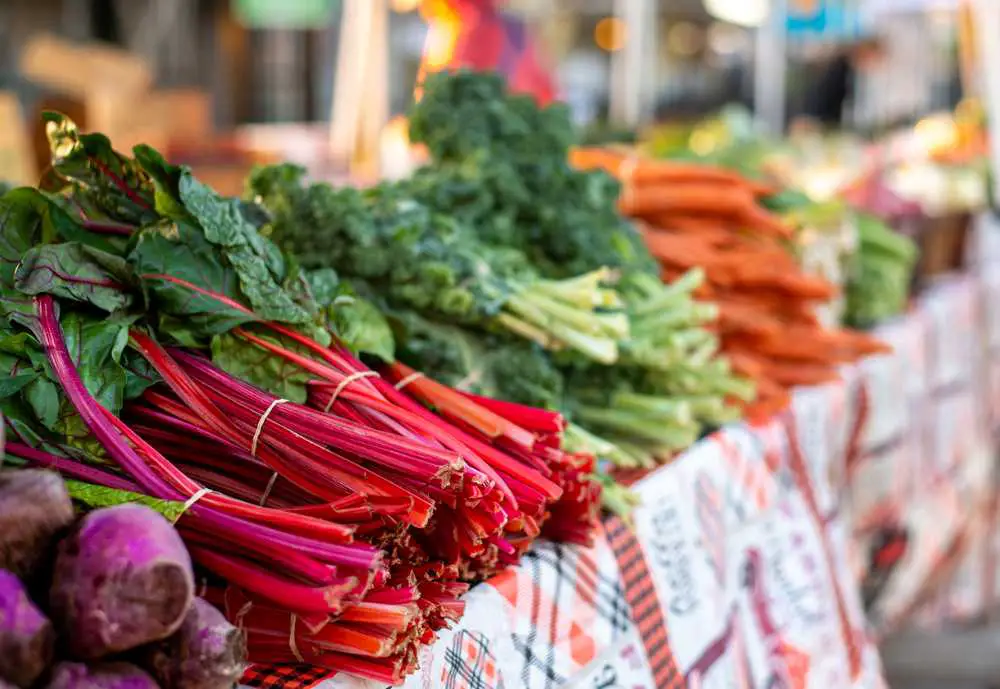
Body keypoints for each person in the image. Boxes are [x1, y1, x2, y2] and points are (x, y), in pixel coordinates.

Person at [800, 37, 883, 130]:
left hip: (828, 120)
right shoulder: (839, 69)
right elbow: (822, 96)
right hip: (819, 119)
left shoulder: (852, 72)